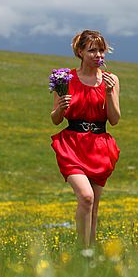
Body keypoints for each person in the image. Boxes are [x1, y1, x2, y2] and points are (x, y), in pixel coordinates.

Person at [50, 29, 121, 247]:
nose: (98, 55)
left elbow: (115, 119)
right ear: (80, 52)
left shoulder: (111, 80)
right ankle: (83, 248)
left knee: (94, 205)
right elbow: (55, 119)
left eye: (101, 50)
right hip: (72, 144)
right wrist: (60, 108)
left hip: (99, 145)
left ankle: (89, 254)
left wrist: (109, 93)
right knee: (86, 197)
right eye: (92, 50)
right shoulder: (65, 79)